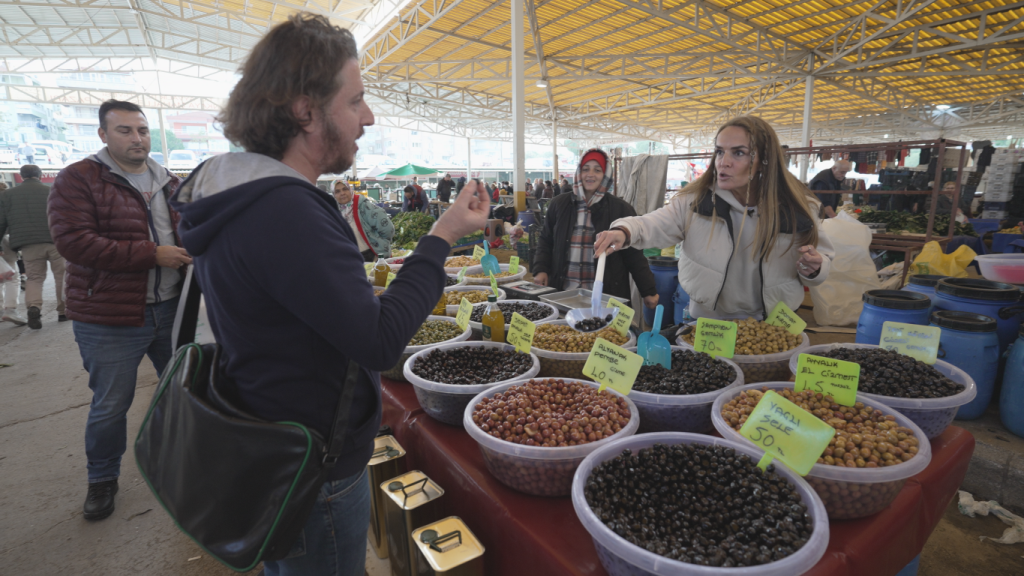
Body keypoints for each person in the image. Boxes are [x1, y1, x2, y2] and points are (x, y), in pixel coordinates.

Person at [169, 14, 489, 576]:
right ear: (306, 110)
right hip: (312, 466)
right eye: (356, 100)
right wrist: (442, 236)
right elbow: (379, 341)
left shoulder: (235, 192)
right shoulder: (286, 210)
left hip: (270, 439)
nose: (368, 117)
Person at [49, 99, 190, 520]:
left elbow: (191, 229)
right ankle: (102, 479)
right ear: (103, 135)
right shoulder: (79, 179)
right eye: (125, 130)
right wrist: (152, 254)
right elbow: (73, 242)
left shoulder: (169, 181)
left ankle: (184, 467)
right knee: (111, 403)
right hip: (109, 316)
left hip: (171, 310)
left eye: (143, 130)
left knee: (184, 395)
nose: (137, 138)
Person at [594, 116, 835, 321]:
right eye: (720, 151)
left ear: (764, 161)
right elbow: (653, 223)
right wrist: (623, 231)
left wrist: (814, 268)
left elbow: (821, 260)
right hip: (710, 321)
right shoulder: (695, 202)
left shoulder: (798, 208)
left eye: (738, 153)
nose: (724, 161)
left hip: (772, 323)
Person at [533, 148, 659, 307]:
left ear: (605, 175)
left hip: (606, 297)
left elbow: (634, 255)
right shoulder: (559, 204)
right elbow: (546, 240)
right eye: (585, 169)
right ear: (578, 172)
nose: (590, 174)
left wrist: (648, 290)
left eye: (597, 170)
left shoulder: (620, 209)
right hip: (564, 293)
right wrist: (541, 268)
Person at [0, 165, 65, 328]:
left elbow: (1, 223)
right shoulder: (53, 191)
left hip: (28, 245)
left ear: (21, 176)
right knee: (62, 276)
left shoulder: (7, 195)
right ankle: (63, 311)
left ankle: (34, 307)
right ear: (41, 175)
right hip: (55, 241)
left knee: (34, 278)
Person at [334, 179, 394, 261]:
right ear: (334, 195)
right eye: (337, 191)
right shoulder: (334, 212)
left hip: (371, 255)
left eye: (345, 189)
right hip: (349, 258)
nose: (342, 193)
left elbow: (387, 229)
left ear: (350, 190)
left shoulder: (364, 206)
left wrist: (381, 245)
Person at [0, 182, 26, 326]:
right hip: (3, 242)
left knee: (0, 277)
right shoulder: (6, 202)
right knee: (12, 276)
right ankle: (10, 309)